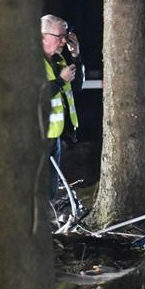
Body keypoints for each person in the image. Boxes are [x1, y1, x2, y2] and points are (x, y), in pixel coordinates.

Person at [41, 14, 83, 199]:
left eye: (66, 36)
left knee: (50, 188)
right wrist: (59, 81)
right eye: (59, 36)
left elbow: (76, 87)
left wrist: (76, 56)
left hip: (53, 135)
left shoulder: (58, 61)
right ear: (43, 36)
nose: (63, 41)